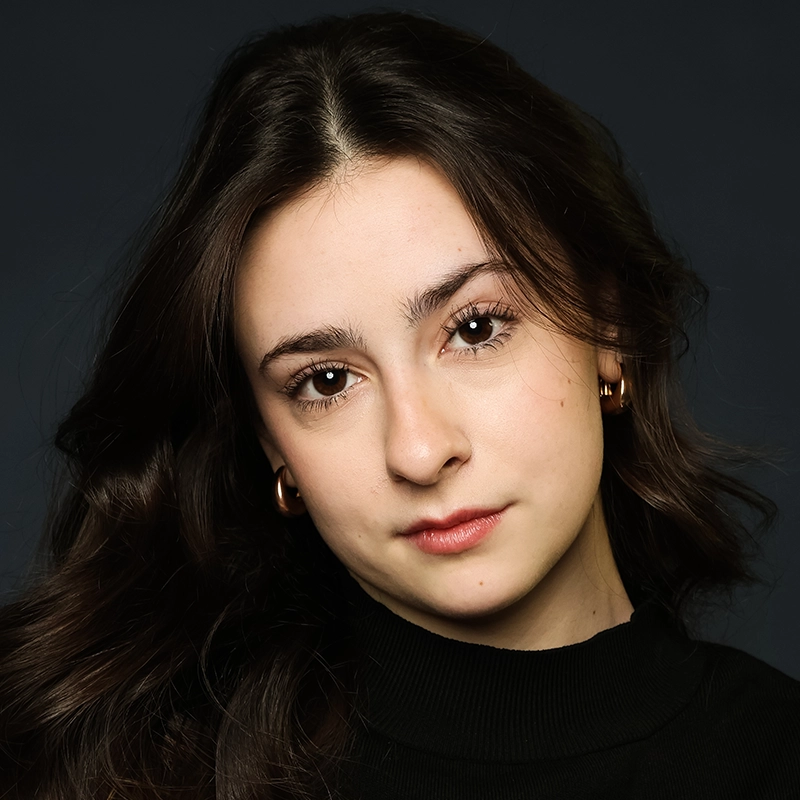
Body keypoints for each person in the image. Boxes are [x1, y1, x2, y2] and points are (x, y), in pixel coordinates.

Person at [1, 11, 798, 800]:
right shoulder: (121, 776)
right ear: (271, 443)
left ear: (608, 330)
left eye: (475, 328)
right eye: (326, 381)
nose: (419, 451)